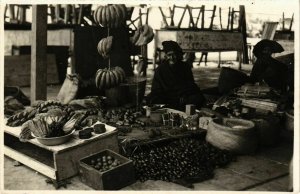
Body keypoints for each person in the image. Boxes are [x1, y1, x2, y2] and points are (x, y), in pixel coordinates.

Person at [147, 40, 206, 111]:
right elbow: (156, 89)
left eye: (174, 54)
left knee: (198, 97)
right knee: (152, 99)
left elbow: (190, 84)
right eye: (169, 55)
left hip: (183, 96)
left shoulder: (185, 67)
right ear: (166, 56)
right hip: (166, 97)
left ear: (178, 54)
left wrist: (184, 95)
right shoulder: (160, 69)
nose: (172, 57)